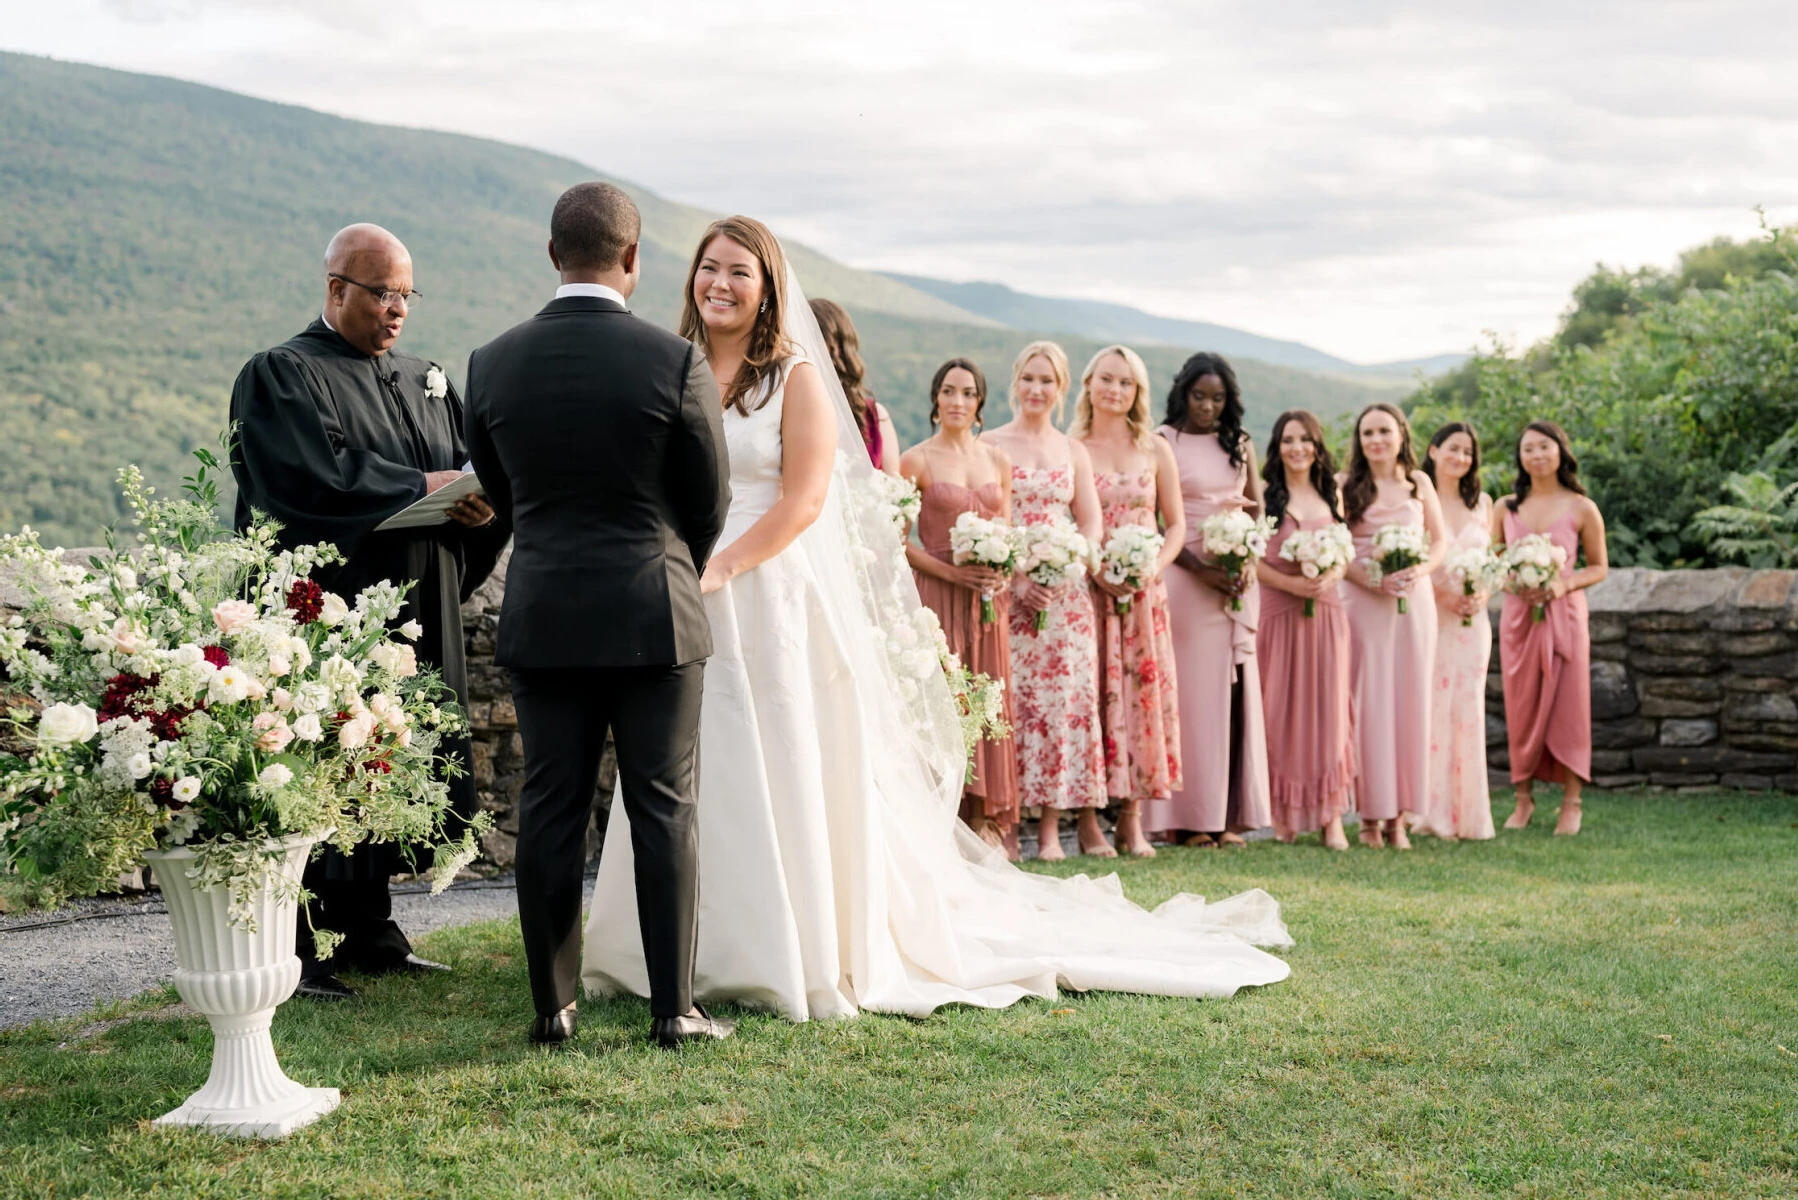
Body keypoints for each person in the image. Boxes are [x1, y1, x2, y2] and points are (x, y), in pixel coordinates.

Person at [582, 218, 1292, 1022]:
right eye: (708, 268)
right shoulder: (673, 366)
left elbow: (807, 499)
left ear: (768, 284)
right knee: (680, 761)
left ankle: (789, 946)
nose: (719, 283)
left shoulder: (793, 378)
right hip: (685, 584)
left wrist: (727, 565)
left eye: (738, 271)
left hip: (765, 584)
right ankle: (671, 948)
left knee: (772, 754)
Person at [463, 182, 734, 1047]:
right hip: (655, 609)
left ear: (552, 256)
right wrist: (665, 562)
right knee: (663, 805)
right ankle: (674, 1010)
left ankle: (553, 1008)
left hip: (542, 610)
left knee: (548, 805)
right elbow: (709, 501)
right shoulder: (674, 361)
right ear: (633, 258)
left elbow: (502, 497)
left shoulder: (490, 362)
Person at [229, 223, 509, 1001]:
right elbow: (308, 480)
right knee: (322, 765)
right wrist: (416, 489)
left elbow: (462, 468)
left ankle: (370, 930)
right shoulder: (283, 374)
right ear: (335, 288)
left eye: (405, 295)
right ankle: (301, 945)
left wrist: (477, 506)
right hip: (336, 614)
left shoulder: (425, 377)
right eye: (381, 292)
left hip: (418, 607)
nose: (396, 310)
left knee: (395, 762)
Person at [983, 341, 1112, 859]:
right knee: (1013, 707)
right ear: (1016, 381)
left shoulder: (1072, 450)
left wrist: (1072, 562)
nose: (1037, 389)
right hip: (1011, 594)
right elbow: (989, 518)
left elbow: (1092, 519)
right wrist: (1015, 578)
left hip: (1067, 600)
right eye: (1029, 378)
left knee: (1063, 708)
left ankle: (1053, 828)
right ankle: (1009, 826)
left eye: (1048, 381)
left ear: (1061, 390)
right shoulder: (990, 444)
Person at [1147, 353, 1272, 848]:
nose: (1207, 406)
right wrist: (1201, 570)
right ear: (1183, 393)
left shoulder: (1238, 443)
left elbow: (1259, 507)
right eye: (1199, 396)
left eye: (1217, 399)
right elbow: (1157, 518)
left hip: (1236, 577)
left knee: (1233, 694)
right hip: (1185, 576)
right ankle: (1188, 819)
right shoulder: (1163, 440)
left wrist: (1244, 557)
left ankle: (1225, 817)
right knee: (1191, 697)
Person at [901, 358, 1021, 857]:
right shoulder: (916, 461)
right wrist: (951, 573)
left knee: (987, 700)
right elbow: (896, 539)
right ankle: (942, 816)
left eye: (967, 393)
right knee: (945, 702)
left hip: (988, 601)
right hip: (938, 593)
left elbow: (1009, 531)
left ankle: (984, 817)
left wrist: (1002, 568)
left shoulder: (998, 462)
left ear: (979, 403)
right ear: (935, 400)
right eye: (948, 391)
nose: (957, 401)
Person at [1070, 345, 1184, 859]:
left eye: (1127, 383)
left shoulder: (1154, 448)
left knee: (1139, 698)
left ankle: (1132, 820)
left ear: (1138, 392)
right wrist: (1096, 568)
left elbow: (1176, 524)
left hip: (1143, 594)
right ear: (1089, 383)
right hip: (1089, 587)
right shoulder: (1072, 446)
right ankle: (1090, 820)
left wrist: (1149, 569)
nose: (1115, 391)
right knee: (1093, 695)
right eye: (1106, 380)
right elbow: (1068, 519)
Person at [1491, 421, 1607, 836]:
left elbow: (1599, 566)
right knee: (1520, 707)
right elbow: (1494, 563)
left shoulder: (1582, 507)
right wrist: (1515, 584)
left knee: (1570, 708)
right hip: (1520, 619)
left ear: (1560, 450)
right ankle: (1523, 800)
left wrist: (1562, 583)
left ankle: (1571, 802)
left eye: (1544, 446)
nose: (1536, 455)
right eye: (1528, 449)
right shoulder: (1505, 507)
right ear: (1519, 457)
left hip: (1565, 618)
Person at [1339, 403, 1447, 849]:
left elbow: (1440, 541)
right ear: (1359, 441)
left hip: (1413, 603)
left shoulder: (1419, 483)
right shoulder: (1345, 485)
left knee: (1409, 704)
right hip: (1364, 602)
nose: (1376, 440)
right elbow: (1337, 546)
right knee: (1369, 705)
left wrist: (1420, 569)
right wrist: (1370, 578)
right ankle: (1369, 815)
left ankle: (1399, 817)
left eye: (1384, 430)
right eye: (1368, 433)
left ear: (1401, 434)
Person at [1255, 410, 1354, 850]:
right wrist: (1292, 582)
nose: (1297, 448)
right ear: (1277, 447)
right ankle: (1285, 815)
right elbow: (1251, 559)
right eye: (1288, 440)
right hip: (1279, 612)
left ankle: (1331, 815)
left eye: (1305, 440)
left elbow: (1346, 549)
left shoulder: (1333, 491)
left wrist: (1332, 573)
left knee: (1329, 712)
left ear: (1317, 445)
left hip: (1327, 612)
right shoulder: (1263, 495)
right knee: (1279, 713)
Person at [1419, 422, 1497, 840]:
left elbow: (1493, 563)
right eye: (1452, 449)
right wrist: (1441, 597)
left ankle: (1469, 815)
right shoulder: (1417, 499)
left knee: (1467, 711)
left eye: (1468, 452)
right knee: (1430, 709)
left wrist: (1483, 593)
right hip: (1431, 618)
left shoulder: (1483, 503)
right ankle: (1427, 811)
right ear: (1432, 451)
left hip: (1473, 625)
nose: (1460, 458)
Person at [810, 298, 899, 474]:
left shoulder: (876, 417)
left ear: (838, 347)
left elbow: (895, 492)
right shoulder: (786, 410)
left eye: (815, 337)